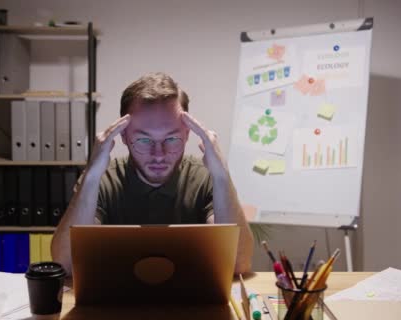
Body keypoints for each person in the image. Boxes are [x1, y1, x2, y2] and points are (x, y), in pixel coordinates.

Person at [51, 72, 253, 275]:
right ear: (123, 135)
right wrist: (91, 177)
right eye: (144, 140)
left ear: (187, 134)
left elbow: (238, 265)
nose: (159, 154)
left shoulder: (205, 178)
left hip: (191, 305)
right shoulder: (102, 180)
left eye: (172, 139)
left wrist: (222, 175)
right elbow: (66, 266)